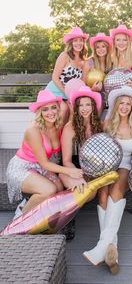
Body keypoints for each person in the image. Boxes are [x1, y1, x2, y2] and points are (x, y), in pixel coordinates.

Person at [83, 86, 132, 274]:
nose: (125, 107)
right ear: (116, 105)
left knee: (116, 189)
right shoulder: (106, 124)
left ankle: (101, 246)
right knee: (102, 194)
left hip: (127, 166)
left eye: (128, 104)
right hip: (107, 167)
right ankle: (111, 250)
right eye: (122, 103)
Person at [6, 90, 83, 219]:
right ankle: (21, 216)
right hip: (22, 167)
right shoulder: (33, 130)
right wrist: (69, 171)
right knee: (49, 190)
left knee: (59, 188)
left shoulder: (58, 125)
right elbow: (44, 163)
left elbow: (73, 122)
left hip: (41, 166)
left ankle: (39, 210)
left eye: (53, 107)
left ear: (58, 108)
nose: (50, 112)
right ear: (39, 112)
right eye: (45, 109)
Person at [59, 85, 103, 240]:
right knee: (78, 187)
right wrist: (76, 175)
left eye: (88, 104)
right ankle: (66, 221)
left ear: (93, 106)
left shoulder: (99, 126)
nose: (84, 108)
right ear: (76, 108)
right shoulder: (69, 128)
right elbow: (66, 160)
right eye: (80, 105)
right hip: (70, 168)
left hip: (91, 169)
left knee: (90, 193)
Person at [46, 27, 89, 125]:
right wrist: (66, 94)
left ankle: (65, 136)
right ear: (71, 43)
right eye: (75, 40)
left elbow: (82, 83)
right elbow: (55, 77)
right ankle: (55, 135)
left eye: (81, 40)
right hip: (55, 91)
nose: (79, 43)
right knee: (64, 108)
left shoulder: (84, 61)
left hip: (69, 95)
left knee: (74, 110)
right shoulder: (65, 56)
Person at [81, 32, 113, 111]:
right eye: (97, 47)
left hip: (111, 95)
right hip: (94, 94)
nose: (100, 49)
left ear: (107, 48)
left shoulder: (113, 62)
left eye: (103, 46)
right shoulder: (89, 62)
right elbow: (82, 84)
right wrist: (92, 89)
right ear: (94, 49)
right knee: (98, 103)